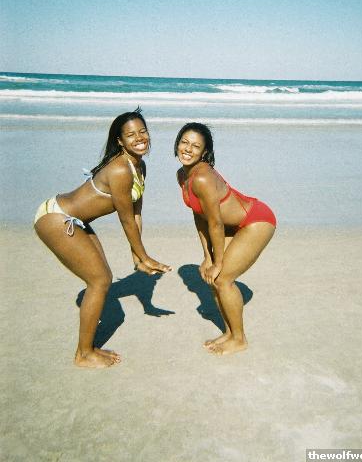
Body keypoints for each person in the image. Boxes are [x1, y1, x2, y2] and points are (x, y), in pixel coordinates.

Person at [34, 108, 171, 368]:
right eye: (131, 134)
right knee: (99, 280)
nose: (139, 137)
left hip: (75, 220)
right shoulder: (120, 169)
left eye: (143, 131)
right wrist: (145, 256)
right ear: (120, 141)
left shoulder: (139, 166)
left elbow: (136, 213)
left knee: (103, 278)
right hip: (57, 217)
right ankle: (83, 354)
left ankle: (88, 349)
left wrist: (137, 258)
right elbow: (125, 220)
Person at [175, 122, 276, 355]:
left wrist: (218, 262)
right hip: (230, 224)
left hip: (256, 220)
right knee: (213, 279)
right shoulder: (182, 175)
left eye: (195, 146)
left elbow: (215, 223)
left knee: (222, 279)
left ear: (204, 152)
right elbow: (200, 216)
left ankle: (239, 339)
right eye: (184, 142)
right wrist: (207, 257)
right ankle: (229, 333)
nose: (188, 149)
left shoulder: (202, 178)